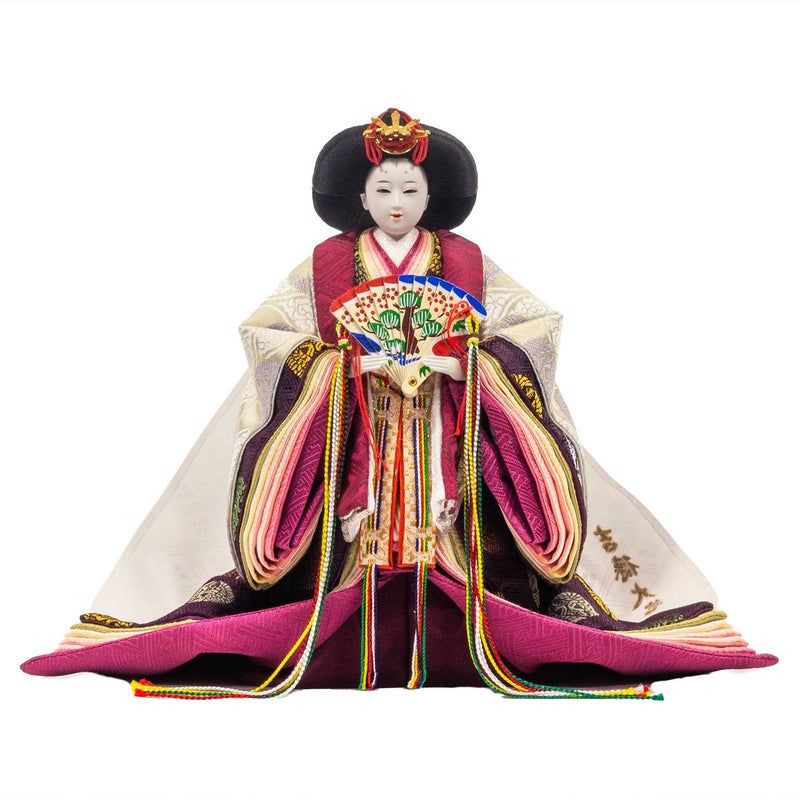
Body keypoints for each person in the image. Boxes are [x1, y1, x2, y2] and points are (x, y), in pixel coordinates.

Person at [21, 109, 776, 699]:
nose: (395, 203)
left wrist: (466, 361)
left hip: (447, 420)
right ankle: (349, 626)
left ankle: (459, 625)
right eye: (382, 190)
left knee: (464, 518)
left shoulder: (468, 262)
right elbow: (268, 334)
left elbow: (533, 329)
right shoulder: (325, 265)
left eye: (410, 190)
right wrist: (343, 363)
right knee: (348, 526)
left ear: (432, 196)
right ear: (357, 196)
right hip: (355, 425)